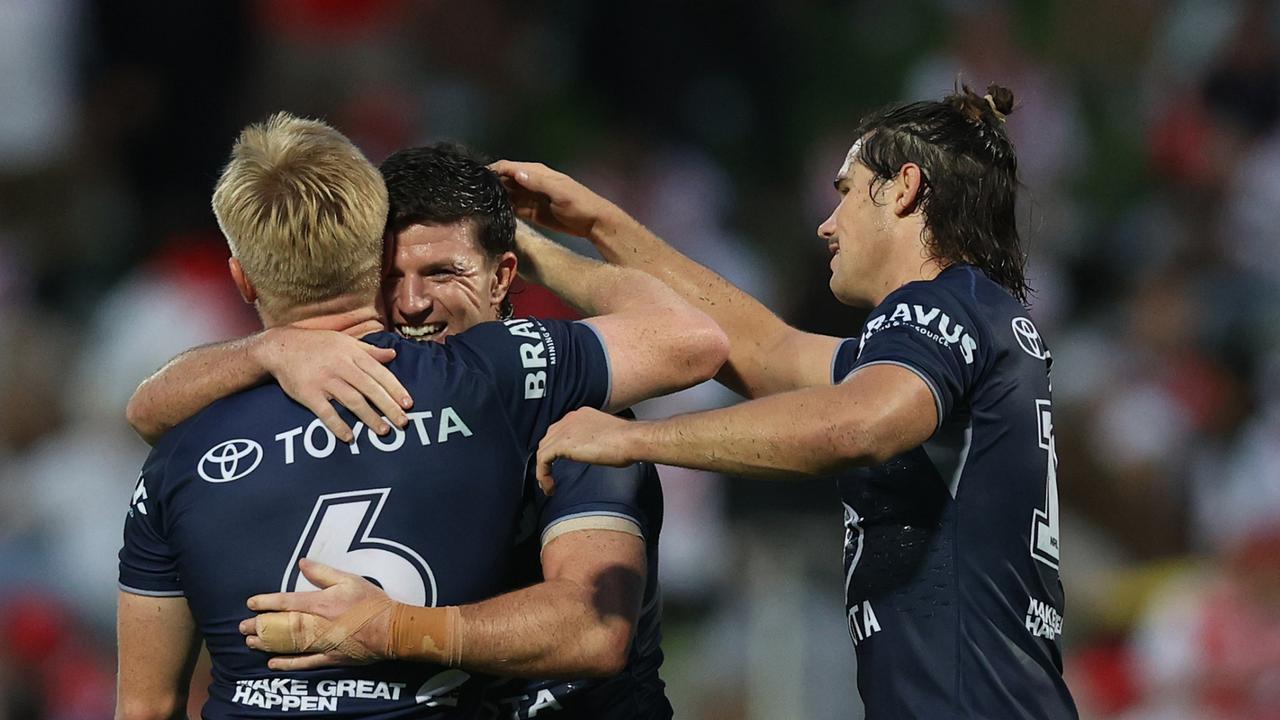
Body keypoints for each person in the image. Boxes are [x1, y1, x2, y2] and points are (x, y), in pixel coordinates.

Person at [492, 85, 1079, 718]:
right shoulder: (966, 319)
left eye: (846, 191)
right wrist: (582, 233)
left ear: (904, 188)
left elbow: (857, 427)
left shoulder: (940, 307)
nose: (827, 223)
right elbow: (761, 350)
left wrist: (632, 441)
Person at [116, 118, 726, 719]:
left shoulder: (559, 399)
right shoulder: (483, 380)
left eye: (443, 273)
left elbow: (592, 634)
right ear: (363, 269)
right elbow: (144, 408)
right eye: (391, 277)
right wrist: (267, 349)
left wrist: (397, 629)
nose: (412, 304)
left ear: (503, 273)